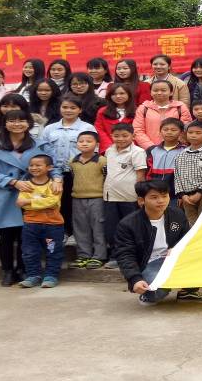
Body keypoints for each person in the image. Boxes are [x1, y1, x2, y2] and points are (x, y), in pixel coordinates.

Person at [0, 109, 60, 286]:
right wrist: (13, 182)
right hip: (4, 193)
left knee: (27, 234)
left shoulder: (40, 144)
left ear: (29, 123)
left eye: (21, 120)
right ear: (4, 124)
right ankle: (7, 271)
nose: (17, 124)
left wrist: (57, 179)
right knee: (6, 235)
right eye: (12, 121)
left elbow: (54, 165)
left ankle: (23, 269)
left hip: (34, 192)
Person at [115, 179, 202, 305]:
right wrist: (135, 279)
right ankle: (150, 294)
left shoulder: (177, 214)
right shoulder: (128, 224)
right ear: (141, 200)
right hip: (150, 263)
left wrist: (176, 249)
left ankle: (188, 292)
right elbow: (125, 255)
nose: (161, 201)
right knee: (153, 293)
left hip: (174, 259)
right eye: (154, 197)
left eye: (164, 196)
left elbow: (187, 240)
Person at [40, 96, 95, 240]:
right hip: (54, 173)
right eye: (65, 107)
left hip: (78, 172)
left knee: (77, 204)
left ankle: (76, 233)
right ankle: (62, 232)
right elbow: (42, 150)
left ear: (80, 110)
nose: (68, 110)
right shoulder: (49, 128)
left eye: (73, 108)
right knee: (57, 203)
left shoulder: (87, 128)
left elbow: (93, 150)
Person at [102, 122, 149, 269]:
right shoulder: (109, 151)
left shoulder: (138, 152)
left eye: (124, 135)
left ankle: (134, 258)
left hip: (130, 198)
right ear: (111, 136)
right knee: (112, 229)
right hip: (110, 197)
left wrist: (140, 196)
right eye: (116, 136)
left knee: (132, 228)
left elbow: (141, 176)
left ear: (133, 136)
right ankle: (115, 256)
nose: (120, 139)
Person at [15, 154, 65, 288]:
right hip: (30, 225)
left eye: (38, 165)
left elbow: (52, 202)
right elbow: (21, 203)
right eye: (31, 165)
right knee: (29, 252)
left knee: (53, 251)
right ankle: (33, 275)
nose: (34, 168)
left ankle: (51, 276)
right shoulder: (26, 185)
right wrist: (39, 201)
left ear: (49, 167)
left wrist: (30, 201)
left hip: (53, 225)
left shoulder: (54, 185)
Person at [70, 131, 108, 269]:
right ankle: (83, 255)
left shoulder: (102, 161)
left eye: (89, 141)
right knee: (80, 228)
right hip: (78, 198)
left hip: (97, 198)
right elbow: (73, 176)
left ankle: (99, 256)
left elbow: (106, 176)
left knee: (98, 227)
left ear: (97, 144)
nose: (84, 144)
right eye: (81, 141)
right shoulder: (73, 161)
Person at [173, 121, 202, 223]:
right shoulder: (181, 155)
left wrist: (199, 193)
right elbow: (177, 176)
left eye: (198, 133)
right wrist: (182, 195)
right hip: (187, 196)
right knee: (191, 222)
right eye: (190, 132)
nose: (193, 135)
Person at [133, 80, 192, 149]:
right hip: (150, 149)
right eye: (155, 90)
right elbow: (138, 130)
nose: (159, 93)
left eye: (163, 90)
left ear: (171, 92)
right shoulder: (143, 108)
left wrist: (174, 145)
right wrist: (150, 147)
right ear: (151, 93)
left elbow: (185, 129)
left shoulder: (180, 107)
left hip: (176, 148)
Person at [145, 118, 188, 186]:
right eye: (165, 130)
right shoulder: (152, 150)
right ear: (160, 132)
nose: (169, 132)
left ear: (181, 132)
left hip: (176, 187)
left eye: (173, 130)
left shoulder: (185, 150)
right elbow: (148, 171)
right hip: (155, 187)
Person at [95, 83, 136, 153]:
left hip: (132, 149)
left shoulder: (137, 111)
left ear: (129, 94)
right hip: (108, 149)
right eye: (114, 94)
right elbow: (99, 129)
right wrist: (110, 147)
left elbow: (138, 130)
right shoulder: (103, 111)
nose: (118, 96)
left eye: (122, 93)